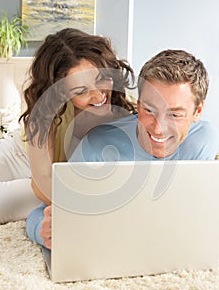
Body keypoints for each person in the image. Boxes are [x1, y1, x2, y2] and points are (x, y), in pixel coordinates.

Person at [26, 49, 219, 249]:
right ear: (139, 103)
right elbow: (39, 215)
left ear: (197, 111)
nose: (159, 128)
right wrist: (44, 231)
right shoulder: (98, 145)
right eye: (149, 110)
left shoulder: (204, 139)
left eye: (175, 115)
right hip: (24, 155)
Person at [0, 28, 136, 224]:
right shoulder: (48, 108)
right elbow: (42, 182)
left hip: (57, 181)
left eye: (101, 79)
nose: (99, 96)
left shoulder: (126, 107)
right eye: (81, 90)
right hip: (19, 159)